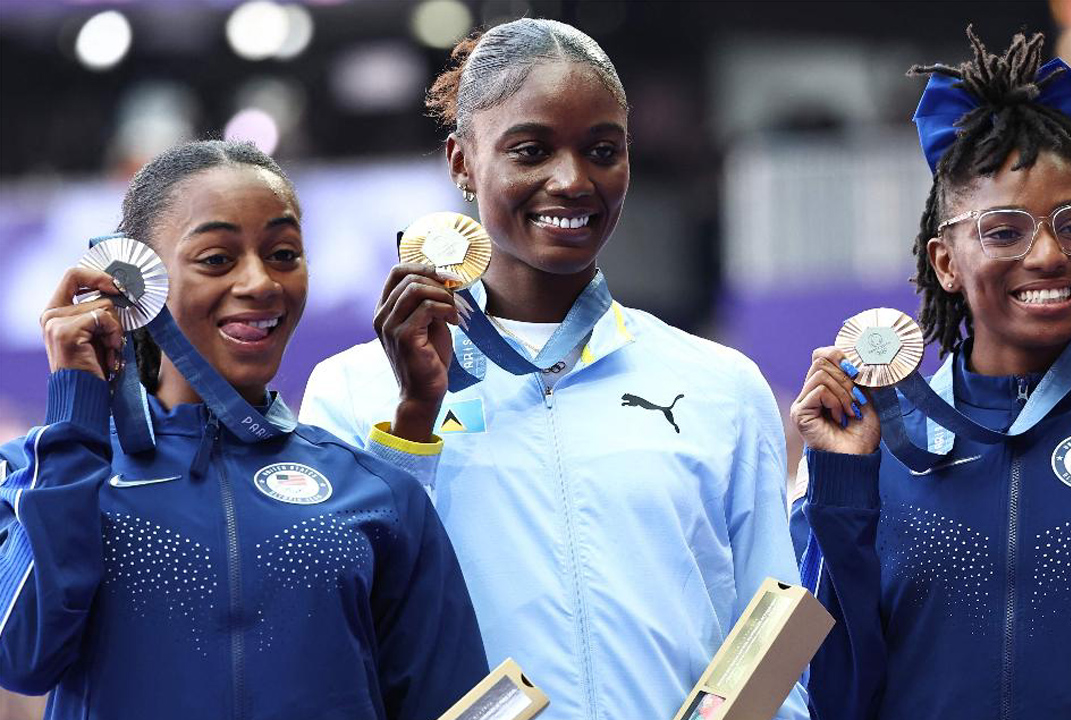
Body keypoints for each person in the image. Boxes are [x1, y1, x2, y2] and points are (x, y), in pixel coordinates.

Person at [300, 18, 808, 720]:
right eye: (531, 150)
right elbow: (341, 628)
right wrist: (412, 429)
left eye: (603, 150)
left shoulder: (721, 385)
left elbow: (775, 636)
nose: (572, 181)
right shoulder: (355, 393)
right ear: (461, 162)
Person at [0, 140, 488, 720]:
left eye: (284, 254)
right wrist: (76, 412)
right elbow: (22, 656)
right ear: (134, 281)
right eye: (216, 258)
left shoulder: (381, 493)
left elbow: (451, 705)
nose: (260, 283)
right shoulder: (45, 472)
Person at [791, 28, 1071, 720]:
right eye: (1004, 231)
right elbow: (833, 698)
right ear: (945, 262)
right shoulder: (869, 449)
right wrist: (840, 485)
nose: (1048, 255)